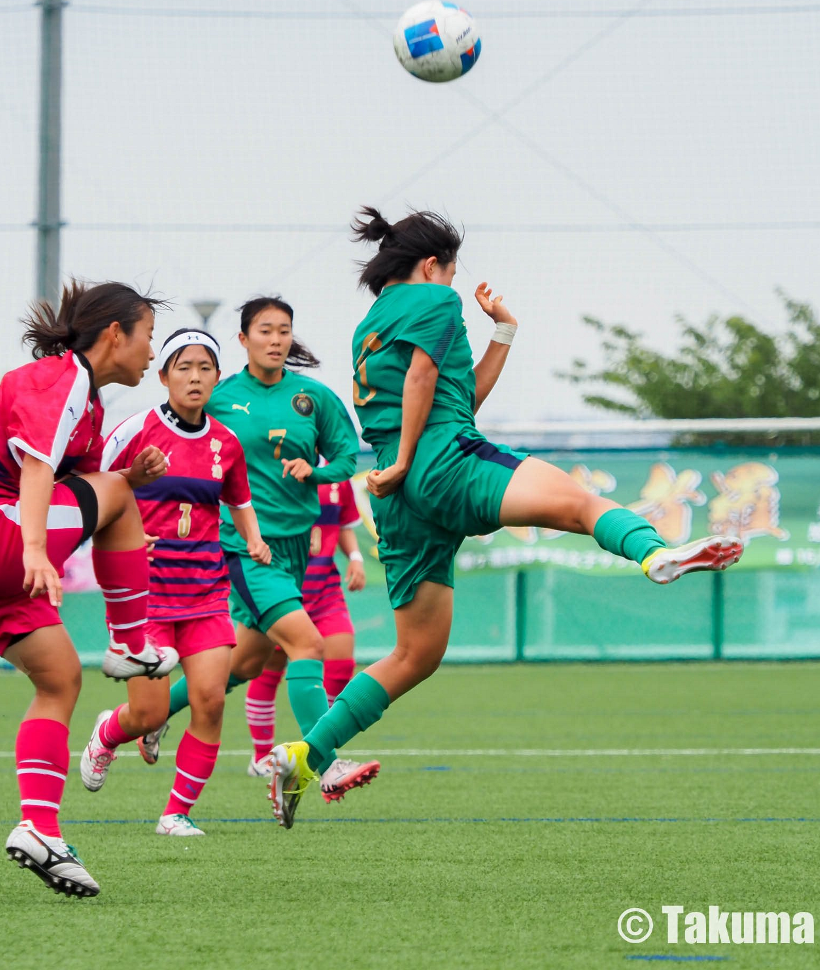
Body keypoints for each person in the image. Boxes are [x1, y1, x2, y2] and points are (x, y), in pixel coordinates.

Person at [265, 208, 745, 828]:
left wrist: (504, 334)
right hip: (437, 459)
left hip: (397, 494)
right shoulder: (433, 300)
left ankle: (305, 756)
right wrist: (412, 456)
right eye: (453, 270)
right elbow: (424, 379)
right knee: (578, 503)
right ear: (433, 265)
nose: (455, 282)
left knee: (414, 654)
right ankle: (654, 554)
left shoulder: (368, 326)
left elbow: (456, 392)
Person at [0, 280, 178, 898]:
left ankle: (39, 827)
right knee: (116, 497)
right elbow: (37, 469)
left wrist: (124, 482)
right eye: (147, 336)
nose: (152, 353)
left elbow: (76, 482)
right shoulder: (60, 378)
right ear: (115, 334)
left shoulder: (84, 403)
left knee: (60, 677)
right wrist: (36, 548)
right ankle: (130, 643)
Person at [137, 297, 380, 823]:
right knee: (307, 642)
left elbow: (345, 458)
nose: (276, 339)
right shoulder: (220, 398)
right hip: (244, 547)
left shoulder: (314, 398)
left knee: (243, 664)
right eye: (265, 331)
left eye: (284, 331)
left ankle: (154, 716)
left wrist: (313, 473)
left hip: (293, 548)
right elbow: (178, 446)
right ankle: (324, 761)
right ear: (243, 341)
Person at [76, 328, 272, 837]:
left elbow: (239, 499)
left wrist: (253, 538)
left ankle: (175, 814)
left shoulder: (226, 443)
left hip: (206, 594)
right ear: (163, 376)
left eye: (205, 368)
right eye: (183, 367)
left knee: (210, 699)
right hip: (145, 599)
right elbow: (91, 489)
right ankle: (108, 733)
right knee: (149, 713)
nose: (194, 377)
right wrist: (118, 536)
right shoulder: (134, 430)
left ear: (217, 378)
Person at [244, 472, 366, 775]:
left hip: (325, 589)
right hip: (283, 587)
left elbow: (343, 523)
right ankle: (261, 757)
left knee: (341, 661)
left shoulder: (337, 475)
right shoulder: (272, 470)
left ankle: (315, 747)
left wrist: (355, 557)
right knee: (267, 669)